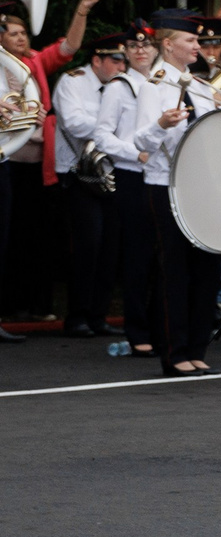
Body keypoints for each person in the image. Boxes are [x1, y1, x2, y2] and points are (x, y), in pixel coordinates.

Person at [127, 11, 221, 373]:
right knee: (175, 272)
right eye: (192, 40)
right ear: (168, 44)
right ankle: (174, 352)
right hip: (166, 186)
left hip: (200, 185)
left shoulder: (198, 86)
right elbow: (140, 140)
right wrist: (161, 124)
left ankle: (197, 347)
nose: (198, 46)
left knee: (206, 270)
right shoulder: (154, 85)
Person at [0, 0, 95, 337]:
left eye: (24, 32)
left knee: (37, 237)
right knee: (8, 238)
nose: (21, 38)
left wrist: (82, 9)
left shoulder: (35, 61)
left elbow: (69, 47)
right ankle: (8, 305)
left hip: (38, 164)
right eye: (13, 33)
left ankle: (36, 305)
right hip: (9, 159)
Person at [52, 33, 125, 338]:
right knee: (88, 245)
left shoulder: (124, 86)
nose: (121, 66)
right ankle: (77, 315)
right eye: (115, 60)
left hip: (113, 172)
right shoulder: (73, 81)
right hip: (79, 173)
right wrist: (111, 125)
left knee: (111, 246)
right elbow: (73, 121)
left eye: (124, 60)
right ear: (97, 60)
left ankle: (98, 314)